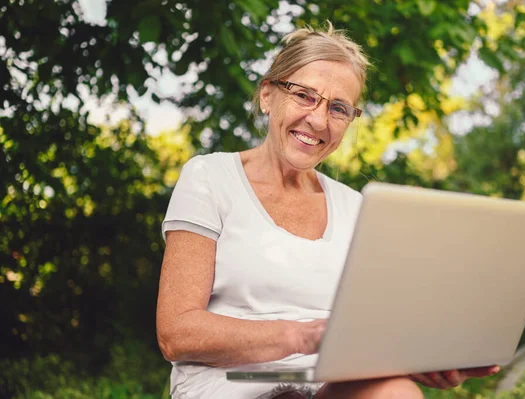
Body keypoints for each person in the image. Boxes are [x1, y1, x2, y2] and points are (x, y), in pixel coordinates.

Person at [156, 22, 500, 399]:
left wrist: (421, 358)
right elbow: (177, 332)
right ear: (268, 95)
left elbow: (374, 333)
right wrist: (305, 336)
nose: (319, 121)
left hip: (324, 386)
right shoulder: (210, 177)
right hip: (231, 386)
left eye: (338, 108)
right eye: (304, 96)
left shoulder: (357, 208)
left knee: (397, 390)